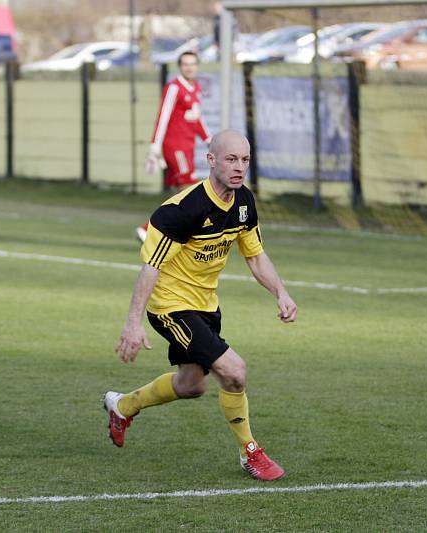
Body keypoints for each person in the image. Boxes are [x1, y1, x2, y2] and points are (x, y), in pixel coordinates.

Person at [107, 129, 298, 481]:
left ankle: (123, 406)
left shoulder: (244, 203)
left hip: (205, 305)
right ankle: (250, 453)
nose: (239, 167)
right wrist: (133, 323)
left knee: (191, 385)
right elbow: (151, 268)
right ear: (211, 161)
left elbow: (255, 256)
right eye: (231, 159)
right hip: (170, 306)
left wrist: (281, 293)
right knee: (234, 371)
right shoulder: (182, 210)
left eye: (245, 160)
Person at [137, 51, 211, 243]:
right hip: (175, 147)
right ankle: (150, 229)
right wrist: (155, 146)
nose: (189, 67)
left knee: (180, 194)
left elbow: (197, 119)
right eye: (185, 64)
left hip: (187, 147)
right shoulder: (174, 87)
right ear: (180, 66)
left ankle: (166, 232)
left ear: (197, 66)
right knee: (190, 190)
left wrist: (209, 139)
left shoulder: (194, 88)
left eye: (193, 64)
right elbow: (163, 116)